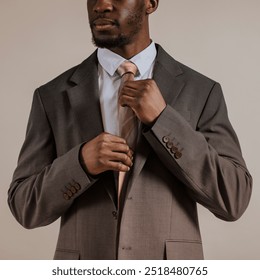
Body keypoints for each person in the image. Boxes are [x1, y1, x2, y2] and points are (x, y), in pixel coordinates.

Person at [8, 0, 252, 260]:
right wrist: (80, 164)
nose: (101, 4)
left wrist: (162, 120)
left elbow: (232, 199)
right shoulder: (52, 96)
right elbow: (25, 206)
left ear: (151, 3)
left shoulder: (202, 91)